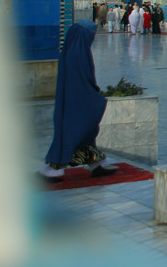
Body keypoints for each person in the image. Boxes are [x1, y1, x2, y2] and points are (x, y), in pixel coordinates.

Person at [38, 21, 118, 182]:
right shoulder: (78, 54)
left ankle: (96, 164)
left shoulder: (72, 51)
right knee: (75, 132)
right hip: (78, 100)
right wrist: (96, 97)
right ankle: (55, 168)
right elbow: (83, 81)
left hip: (72, 99)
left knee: (85, 133)